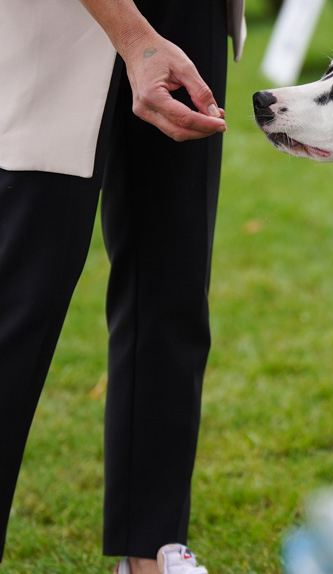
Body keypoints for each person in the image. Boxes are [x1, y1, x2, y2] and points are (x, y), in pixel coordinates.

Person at [0, 0, 245, 572]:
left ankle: (152, 546)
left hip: (190, 11)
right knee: (21, 294)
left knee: (174, 281)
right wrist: (136, 38)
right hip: (62, 19)